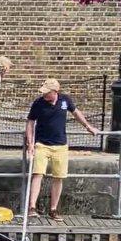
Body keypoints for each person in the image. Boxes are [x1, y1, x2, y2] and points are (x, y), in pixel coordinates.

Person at [25, 78, 99, 221]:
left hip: (60, 145)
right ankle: (32, 207)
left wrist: (88, 126)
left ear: (55, 92)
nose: (44, 95)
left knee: (58, 177)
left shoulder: (65, 101)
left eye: (47, 93)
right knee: (37, 173)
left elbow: (76, 113)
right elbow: (30, 122)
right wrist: (30, 143)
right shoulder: (38, 103)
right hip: (42, 144)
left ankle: (53, 209)